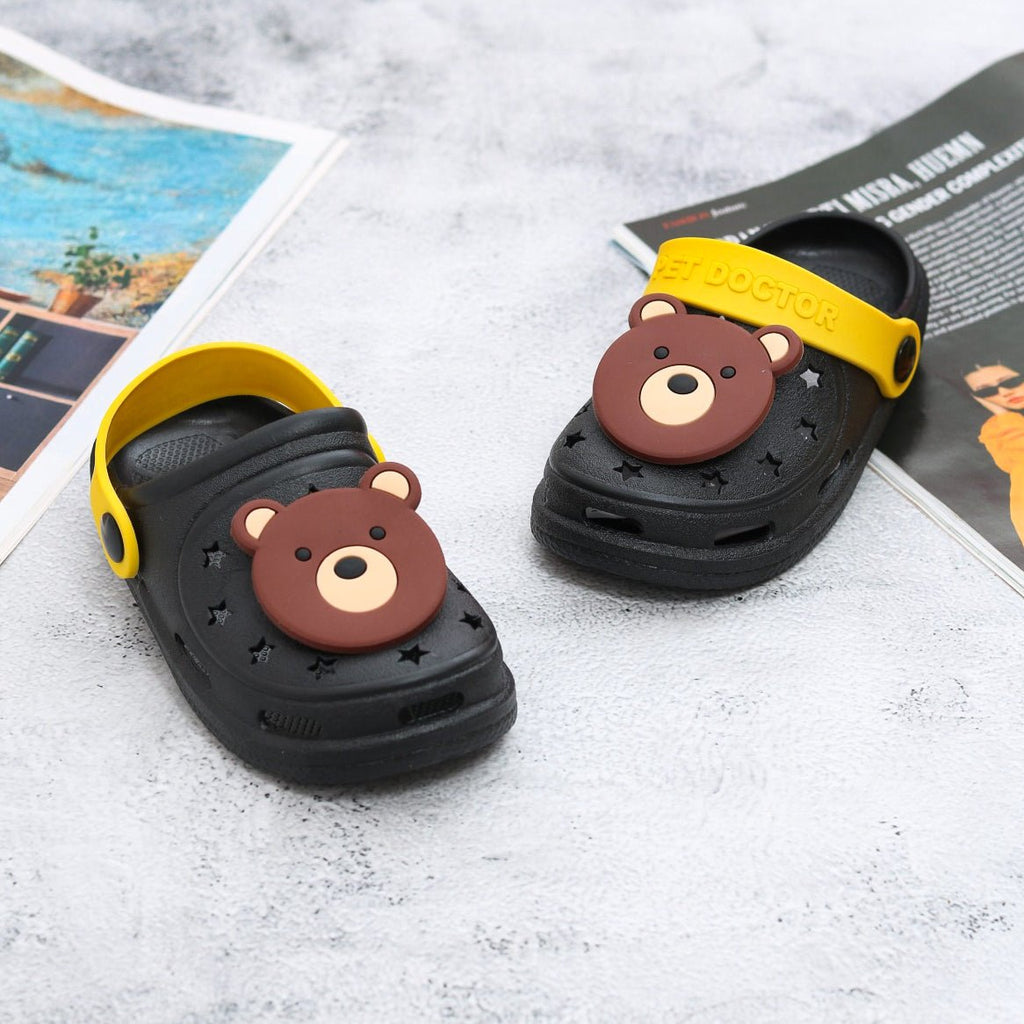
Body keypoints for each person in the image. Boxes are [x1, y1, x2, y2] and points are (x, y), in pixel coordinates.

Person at [965, 362, 1024, 545]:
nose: (1004, 392)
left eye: (1012, 380)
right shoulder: (998, 429)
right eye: (985, 392)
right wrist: (1001, 413)